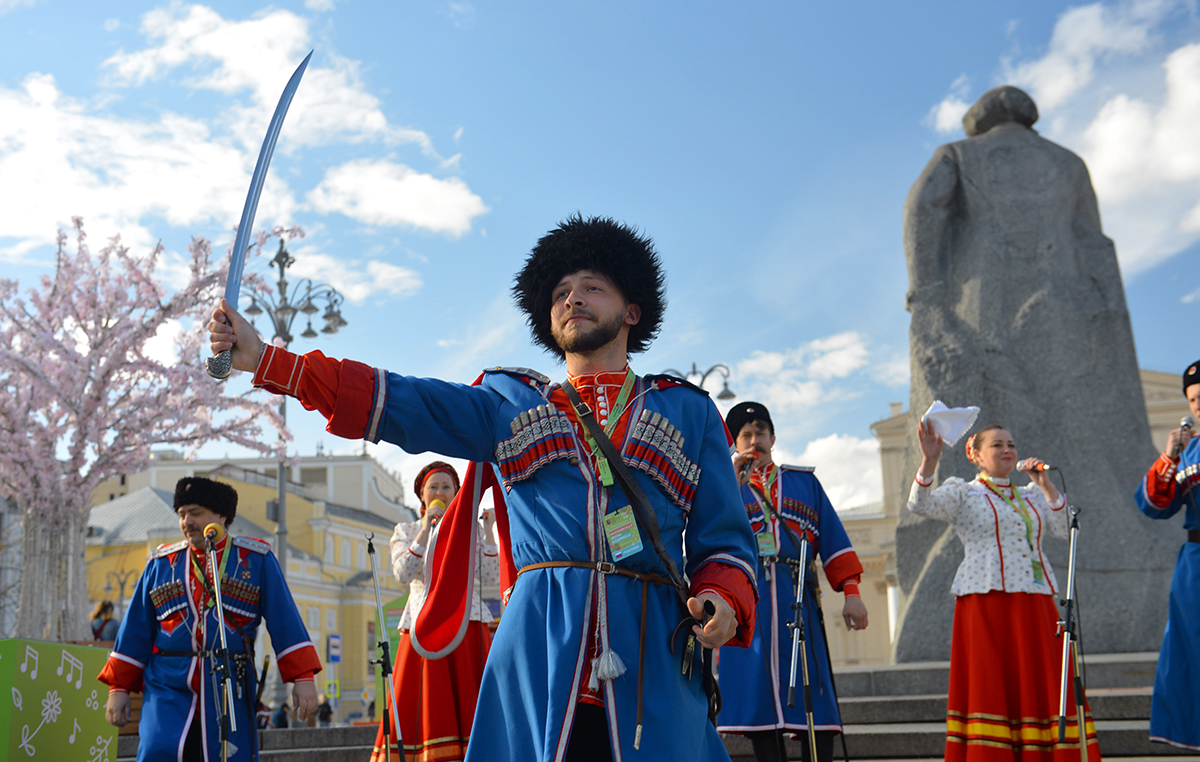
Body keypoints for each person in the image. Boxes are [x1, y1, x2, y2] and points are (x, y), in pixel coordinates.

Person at [208, 214, 759, 762]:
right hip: (540, 646)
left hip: (654, 642)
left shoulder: (687, 411)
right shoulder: (508, 401)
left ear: (632, 310)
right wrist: (267, 360)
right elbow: (403, 401)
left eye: (593, 287)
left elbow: (726, 537)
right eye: (561, 292)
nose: (573, 299)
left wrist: (723, 595)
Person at [910, 422, 1100, 761]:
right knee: (992, 681)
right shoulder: (964, 492)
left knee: (1040, 678)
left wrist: (1045, 484)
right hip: (986, 599)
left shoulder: (1030, 494)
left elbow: (1064, 528)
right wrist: (929, 461)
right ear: (977, 455)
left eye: (1010, 444)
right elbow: (920, 505)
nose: (1007, 450)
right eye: (997, 444)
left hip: (1034, 599)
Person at [98, 477, 322, 761]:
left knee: (227, 755)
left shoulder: (256, 560)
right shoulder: (160, 564)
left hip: (229, 682)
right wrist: (119, 688)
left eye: (196, 512)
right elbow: (134, 631)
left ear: (222, 516)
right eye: (182, 514)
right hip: (167, 684)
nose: (187, 521)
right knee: (158, 750)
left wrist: (302, 678)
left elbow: (285, 621)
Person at [715, 402, 868, 762]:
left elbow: (833, 537)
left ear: (773, 437)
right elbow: (708, 540)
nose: (755, 441)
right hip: (747, 604)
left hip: (796, 596)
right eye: (746, 435)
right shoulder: (723, 488)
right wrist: (727, 482)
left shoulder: (803, 482)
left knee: (813, 692)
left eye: (761, 433)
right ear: (734, 444)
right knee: (758, 700)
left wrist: (852, 594)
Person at [370, 461, 500, 762]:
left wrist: (488, 530)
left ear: (457, 495)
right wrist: (427, 530)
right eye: (434, 487)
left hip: (467, 622)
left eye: (447, 487)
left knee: (471, 696)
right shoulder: (406, 529)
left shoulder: (468, 532)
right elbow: (403, 572)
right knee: (428, 702)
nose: (440, 492)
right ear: (422, 496)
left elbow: (491, 576)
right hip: (422, 626)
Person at [1134, 359, 1200, 751]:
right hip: (1196, 561)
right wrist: (1169, 456)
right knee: (1192, 649)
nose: (1198, 405)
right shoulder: (1188, 452)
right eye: (1193, 399)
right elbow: (1154, 506)